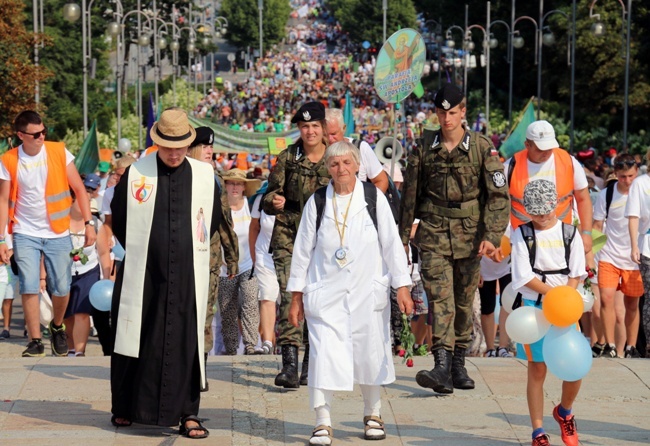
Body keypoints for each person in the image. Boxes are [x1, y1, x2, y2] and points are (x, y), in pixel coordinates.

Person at [287, 140, 413, 445]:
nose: (341, 169)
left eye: (346, 163)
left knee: (370, 354)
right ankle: (322, 421)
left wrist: (403, 287)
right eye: (334, 164)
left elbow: (392, 244)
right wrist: (296, 296)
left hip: (366, 292)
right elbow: (302, 251)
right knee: (322, 356)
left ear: (357, 165)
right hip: (326, 294)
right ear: (327, 168)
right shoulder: (317, 201)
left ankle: (373, 413)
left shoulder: (373, 198)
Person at [109, 109, 221, 438]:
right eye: (167, 147)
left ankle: (188, 413)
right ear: (157, 143)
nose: (173, 153)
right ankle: (126, 408)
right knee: (134, 336)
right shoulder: (136, 174)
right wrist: (149, 248)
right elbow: (120, 217)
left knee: (186, 340)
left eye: (179, 147)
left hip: (188, 273)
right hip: (144, 273)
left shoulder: (203, 175)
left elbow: (210, 221)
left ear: (188, 145)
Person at [399, 83, 510, 394]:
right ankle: (441, 364)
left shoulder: (481, 148)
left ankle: (458, 364)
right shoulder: (423, 147)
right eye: (441, 112)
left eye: (452, 113)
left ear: (463, 113)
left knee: (463, 303)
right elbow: (410, 194)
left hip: (470, 236)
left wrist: (491, 236)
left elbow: (499, 197)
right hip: (433, 233)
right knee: (440, 300)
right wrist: (402, 237)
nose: (446, 119)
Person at [0, 110, 96, 357]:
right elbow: (3, 201)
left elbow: (79, 189)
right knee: (30, 285)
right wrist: (2, 238)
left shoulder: (58, 152)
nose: (41, 136)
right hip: (24, 230)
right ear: (21, 135)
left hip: (57, 230)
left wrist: (88, 223)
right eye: (35, 134)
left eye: (43, 131)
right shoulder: (9, 160)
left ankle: (56, 326)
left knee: (62, 287)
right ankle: (34, 341)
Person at [510, 180, 586, 446]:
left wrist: (566, 296)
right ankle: (538, 431)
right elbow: (523, 276)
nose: (542, 217)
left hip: (566, 307)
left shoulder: (570, 233)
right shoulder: (522, 234)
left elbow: (576, 273)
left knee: (575, 369)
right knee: (537, 369)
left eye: (546, 210)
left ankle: (564, 412)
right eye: (535, 212)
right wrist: (552, 295)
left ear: (556, 205)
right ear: (527, 210)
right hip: (534, 306)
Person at [263, 102, 331, 389]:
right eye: (305, 127)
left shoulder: (335, 158)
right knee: (291, 296)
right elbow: (268, 198)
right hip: (289, 235)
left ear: (323, 128)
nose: (310, 131)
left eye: (315, 125)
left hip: (324, 237)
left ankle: (310, 365)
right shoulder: (289, 157)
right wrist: (274, 202)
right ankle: (289, 365)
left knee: (316, 299)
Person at [187, 127, 239, 388]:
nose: (209, 150)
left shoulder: (215, 179)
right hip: (182, 258)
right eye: (204, 146)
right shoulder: (180, 175)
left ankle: (201, 370)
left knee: (206, 313)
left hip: (208, 257)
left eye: (211, 146)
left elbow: (225, 222)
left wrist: (232, 257)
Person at [504, 120, 592, 253]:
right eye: (540, 149)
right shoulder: (510, 167)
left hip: (561, 240)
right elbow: (499, 205)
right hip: (523, 242)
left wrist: (586, 233)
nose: (546, 153)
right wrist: (502, 238)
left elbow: (583, 199)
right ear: (527, 145)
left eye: (550, 148)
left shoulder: (569, 162)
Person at [592, 154, 643, 358]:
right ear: (615, 174)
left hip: (635, 258)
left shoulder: (643, 193)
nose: (627, 181)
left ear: (637, 172)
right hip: (608, 255)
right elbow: (597, 226)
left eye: (631, 176)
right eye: (622, 177)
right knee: (606, 299)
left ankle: (631, 347)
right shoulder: (607, 194)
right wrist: (591, 257)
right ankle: (610, 345)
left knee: (632, 304)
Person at [218, 169, 260, 355]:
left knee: (250, 303)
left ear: (244, 187)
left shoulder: (250, 207)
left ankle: (251, 345)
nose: (235, 187)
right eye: (231, 183)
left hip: (248, 265)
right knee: (228, 309)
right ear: (225, 185)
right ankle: (231, 348)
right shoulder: (219, 208)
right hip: (225, 266)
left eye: (238, 183)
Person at [65, 188, 111, 356]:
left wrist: (105, 278)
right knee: (67, 314)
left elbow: (104, 253)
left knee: (82, 312)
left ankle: (79, 351)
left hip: (88, 272)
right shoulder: (59, 223)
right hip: (64, 273)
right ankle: (71, 348)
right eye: (81, 201)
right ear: (71, 200)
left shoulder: (96, 224)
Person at [324, 108, 388, 192]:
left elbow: (381, 181)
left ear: (344, 128)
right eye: (325, 135)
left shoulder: (360, 148)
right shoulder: (318, 150)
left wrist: (368, 202)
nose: (330, 139)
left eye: (333, 134)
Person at [625, 151, 650, 358]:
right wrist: (634, 245)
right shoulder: (641, 184)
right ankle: (647, 344)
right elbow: (633, 216)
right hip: (647, 247)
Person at [250, 189, 279, 354]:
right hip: (264, 254)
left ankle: (287, 342)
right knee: (267, 295)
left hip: (291, 255)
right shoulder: (261, 197)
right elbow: (254, 227)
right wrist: (255, 257)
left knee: (288, 297)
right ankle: (267, 342)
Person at [0, 233, 15, 339]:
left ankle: (27, 328)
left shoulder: (7, 228)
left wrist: (9, 253)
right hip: (4, 267)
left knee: (8, 299)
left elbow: (12, 247)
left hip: (12, 267)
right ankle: (6, 328)